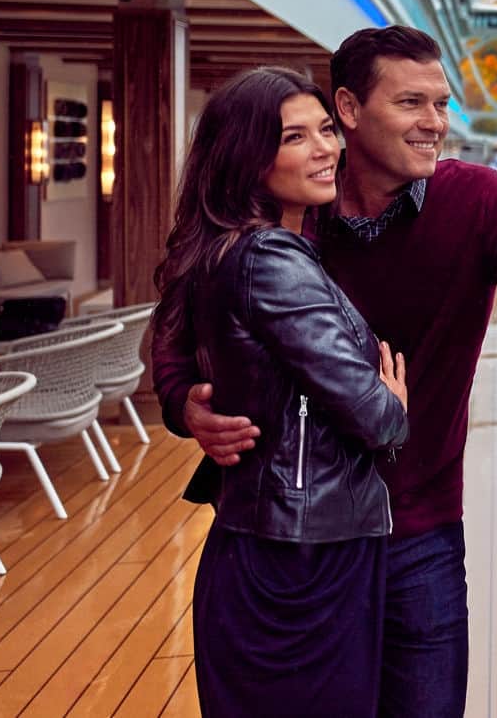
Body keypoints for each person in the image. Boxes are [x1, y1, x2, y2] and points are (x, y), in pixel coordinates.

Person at [154, 26, 497, 717]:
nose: (436, 123)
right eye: (411, 103)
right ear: (349, 107)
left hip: (418, 528)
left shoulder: (477, 199)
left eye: (442, 104)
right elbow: (179, 325)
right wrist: (184, 401)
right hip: (300, 544)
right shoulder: (289, 211)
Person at [152, 67, 410, 715]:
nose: (325, 149)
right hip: (301, 563)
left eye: (325, 130)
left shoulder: (235, 246)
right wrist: (393, 402)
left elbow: (172, 351)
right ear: (247, 157)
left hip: (268, 545)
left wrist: (184, 402)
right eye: (295, 137)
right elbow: (376, 419)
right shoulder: (270, 258)